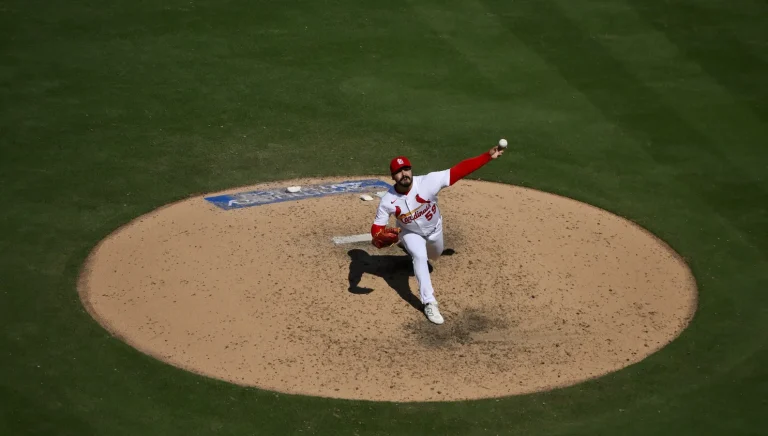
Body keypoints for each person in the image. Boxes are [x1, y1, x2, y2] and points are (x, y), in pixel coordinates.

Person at [370, 143, 506, 324]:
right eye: (399, 171)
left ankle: (418, 249)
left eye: (407, 169)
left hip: (435, 230)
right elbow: (376, 229)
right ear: (393, 176)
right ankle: (429, 303)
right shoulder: (388, 200)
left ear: (411, 170)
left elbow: (460, 170)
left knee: (434, 257)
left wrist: (487, 156)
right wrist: (378, 238)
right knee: (419, 255)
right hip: (410, 232)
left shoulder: (428, 182)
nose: (404, 174)